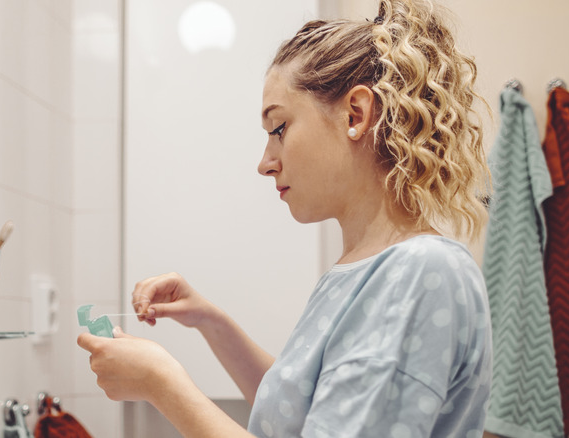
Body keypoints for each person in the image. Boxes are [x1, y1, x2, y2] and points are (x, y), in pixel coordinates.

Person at [77, 0, 493, 436]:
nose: (265, 162)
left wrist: (161, 384)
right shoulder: (366, 269)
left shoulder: (420, 273)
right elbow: (300, 415)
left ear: (356, 114)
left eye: (278, 129)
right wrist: (211, 322)